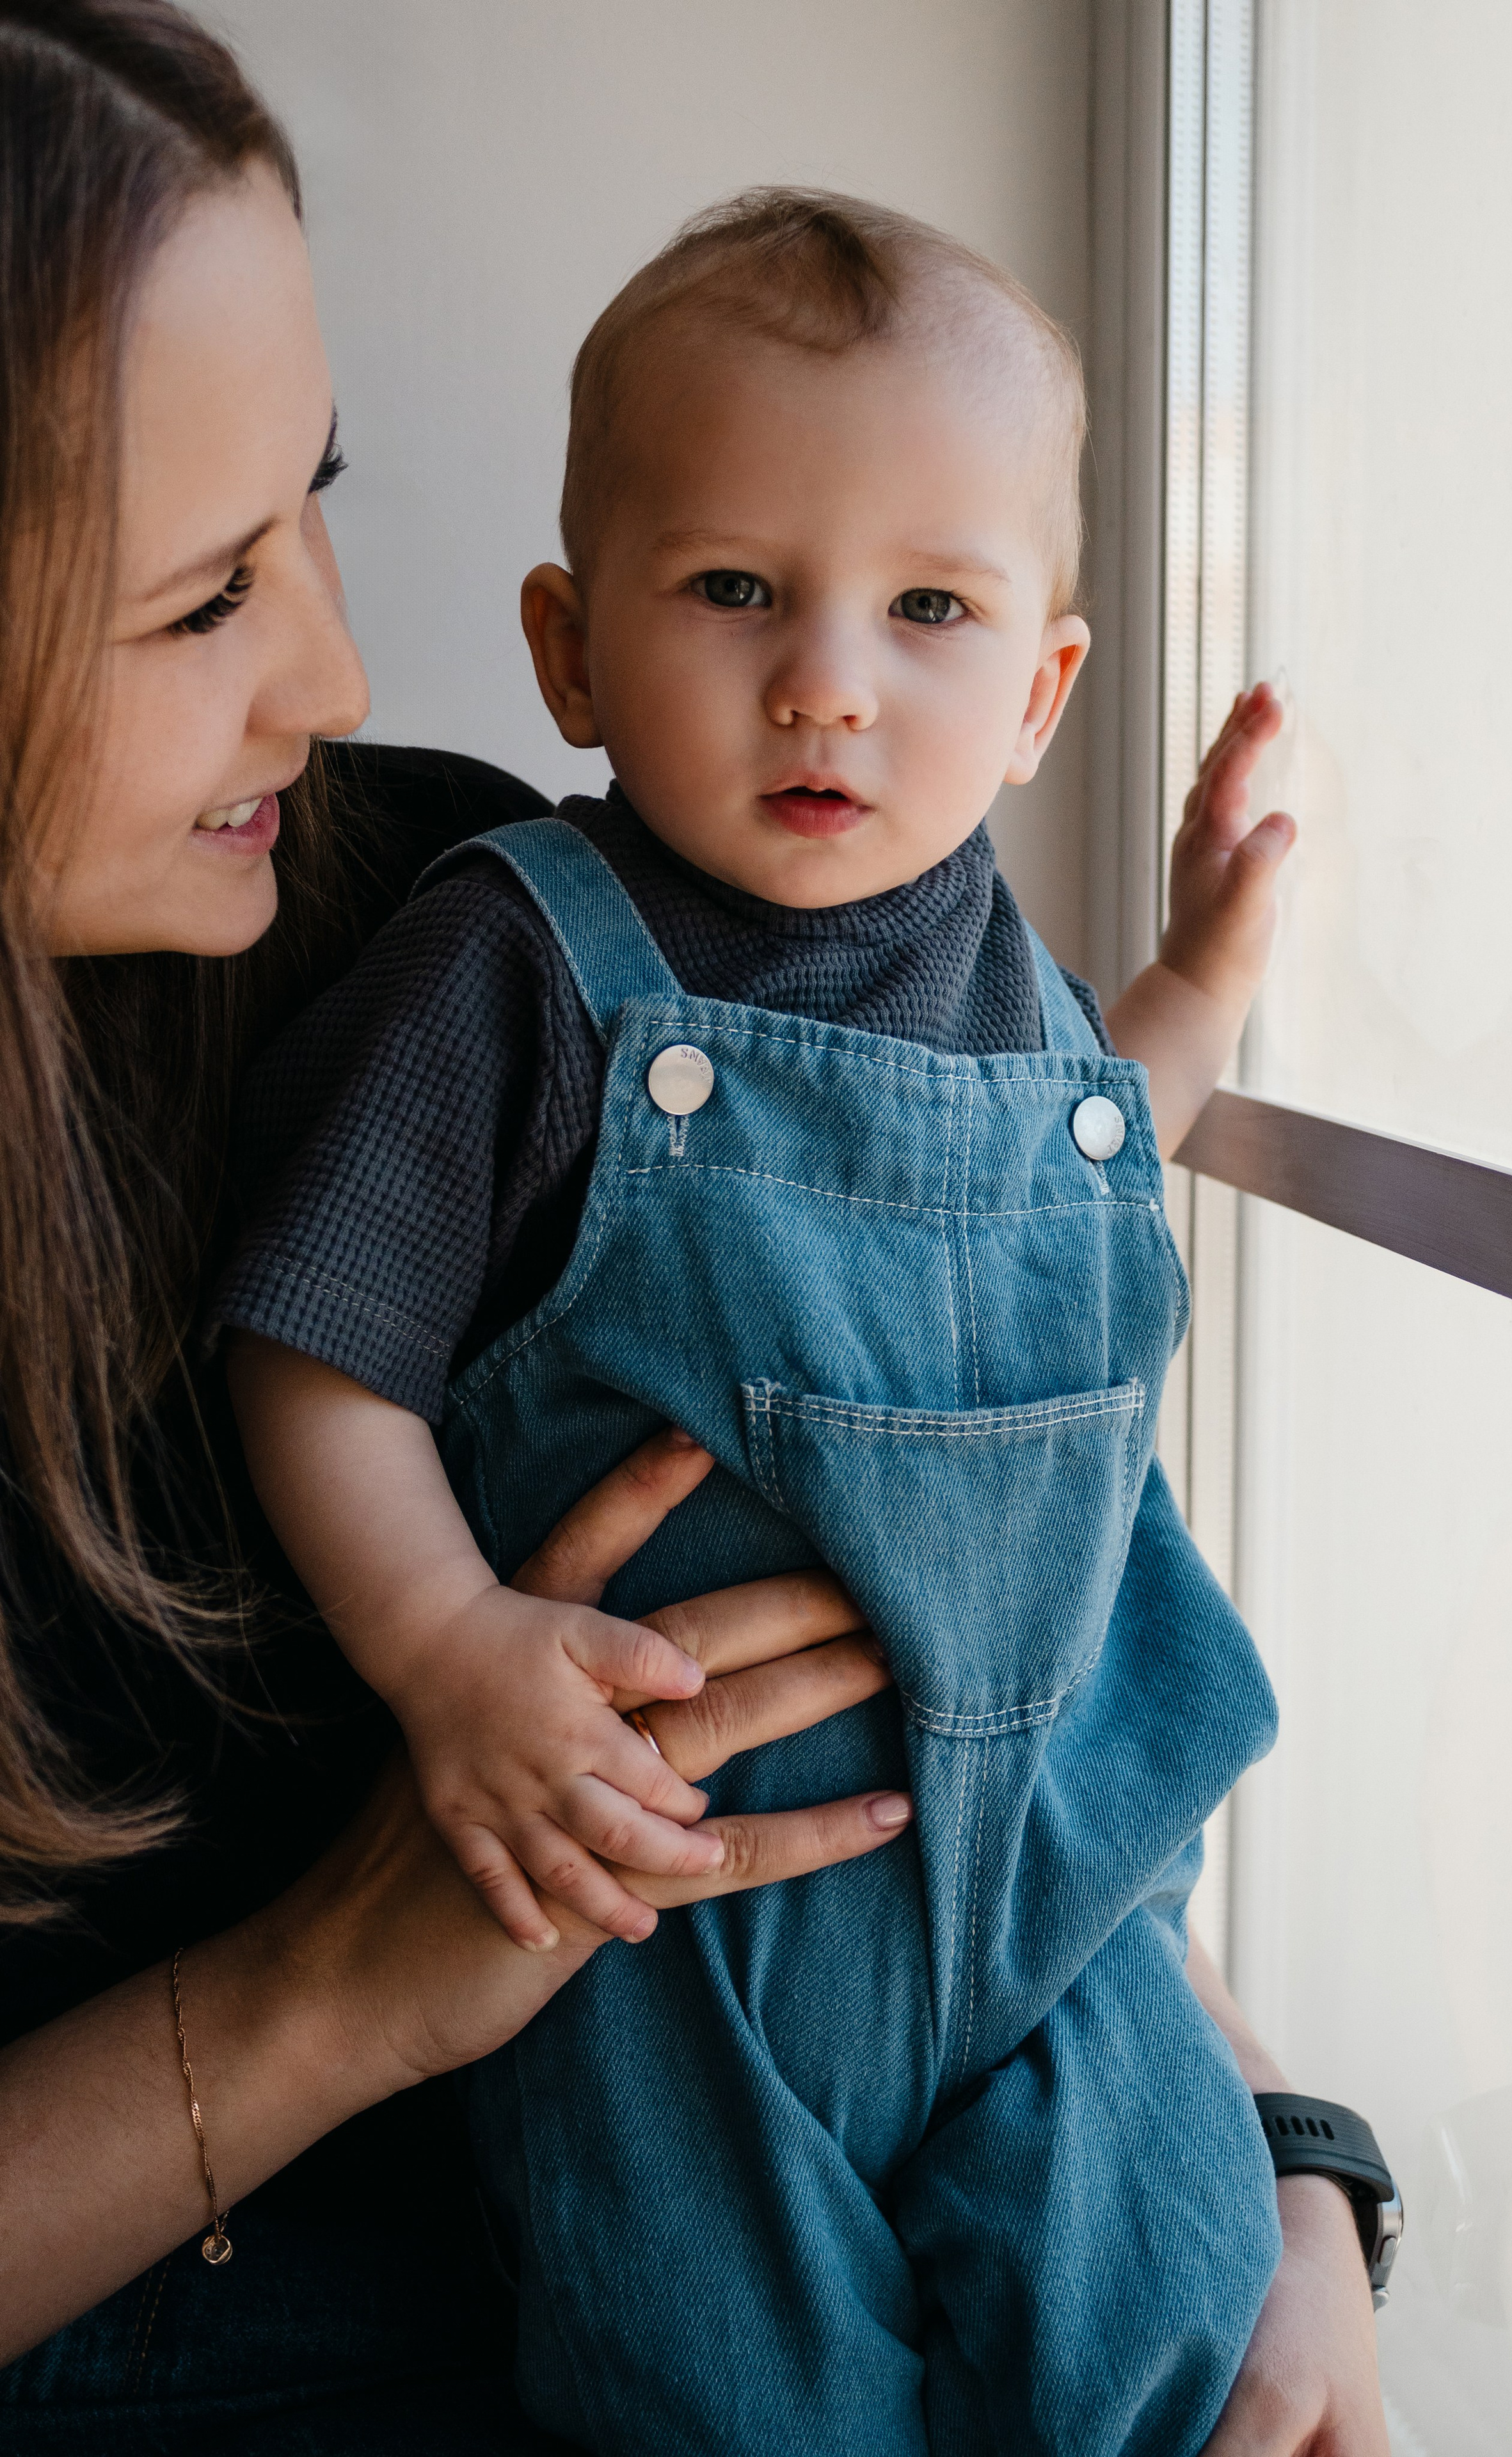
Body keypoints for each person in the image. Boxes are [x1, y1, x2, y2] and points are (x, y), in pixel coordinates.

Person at [216, 191, 1389, 2455]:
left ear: (1040, 693)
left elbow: (1094, 1147)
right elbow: (314, 1344)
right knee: (730, 2393)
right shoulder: (518, 963)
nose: (829, 681)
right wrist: (449, 1647)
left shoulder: (1008, 983)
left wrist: (1205, 975)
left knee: (1172, 2305)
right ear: (570, 650)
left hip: (1052, 1905)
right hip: (672, 1933)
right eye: (736, 589)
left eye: (929, 607)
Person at [0, 14, 914, 2450]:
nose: (334, 670)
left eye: (312, 498)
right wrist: (340, 1986)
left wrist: (1248, 2141)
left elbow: (958, 1516)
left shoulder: (468, 918)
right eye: (202, 600)